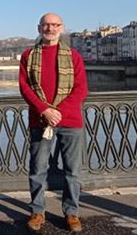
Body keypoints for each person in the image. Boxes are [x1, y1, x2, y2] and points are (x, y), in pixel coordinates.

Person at [19, 13, 88, 233]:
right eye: (46, 25)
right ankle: (38, 211)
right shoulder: (28, 55)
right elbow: (25, 87)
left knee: (72, 171)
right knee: (38, 169)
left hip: (70, 120)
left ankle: (71, 213)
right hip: (40, 120)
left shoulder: (74, 56)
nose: (50, 28)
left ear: (61, 28)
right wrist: (44, 110)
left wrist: (57, 112)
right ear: (39, 28)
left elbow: (80, 89)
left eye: (55, 25)